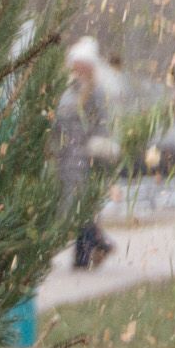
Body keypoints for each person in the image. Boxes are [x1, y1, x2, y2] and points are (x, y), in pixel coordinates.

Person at [57, 36, 119, 270]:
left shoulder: (95, 92)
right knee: (73, 208)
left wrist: (98, 146)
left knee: (82, 207)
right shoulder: (67, 90)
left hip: (86, 158)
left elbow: (102, 122)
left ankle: (84, 255)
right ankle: (97, 246)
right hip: (66, 158)